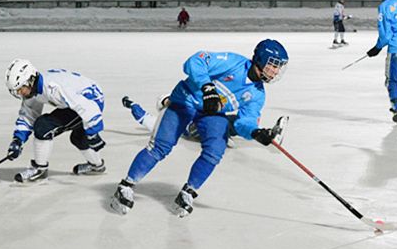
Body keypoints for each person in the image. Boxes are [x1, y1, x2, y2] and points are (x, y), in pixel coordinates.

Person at [109, 39, 289, 217]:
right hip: (185, 101)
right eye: (273, 65)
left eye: (278, 67)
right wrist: (207, 87)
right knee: (160, 147)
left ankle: (187, 193)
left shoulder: (257, 94)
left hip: (211, 113)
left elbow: (245, 121)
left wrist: (255, 132)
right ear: (260, 59)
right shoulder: (234, 62)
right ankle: (126, 185)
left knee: (215, 151)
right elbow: (195, 61)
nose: (275, 71)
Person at [4, 58, 106, 183]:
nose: (20, 93)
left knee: (43, 126)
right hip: (79, 102)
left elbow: (86, 107)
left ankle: (39, 169)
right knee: (78, 138)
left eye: (21, 89)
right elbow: (28, 115)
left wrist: (93, 132)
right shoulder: (33, 90)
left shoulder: (54, 88)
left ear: (30, 80)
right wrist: (18, 140)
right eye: (17, 91)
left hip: (91, 100)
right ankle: (97, 166)